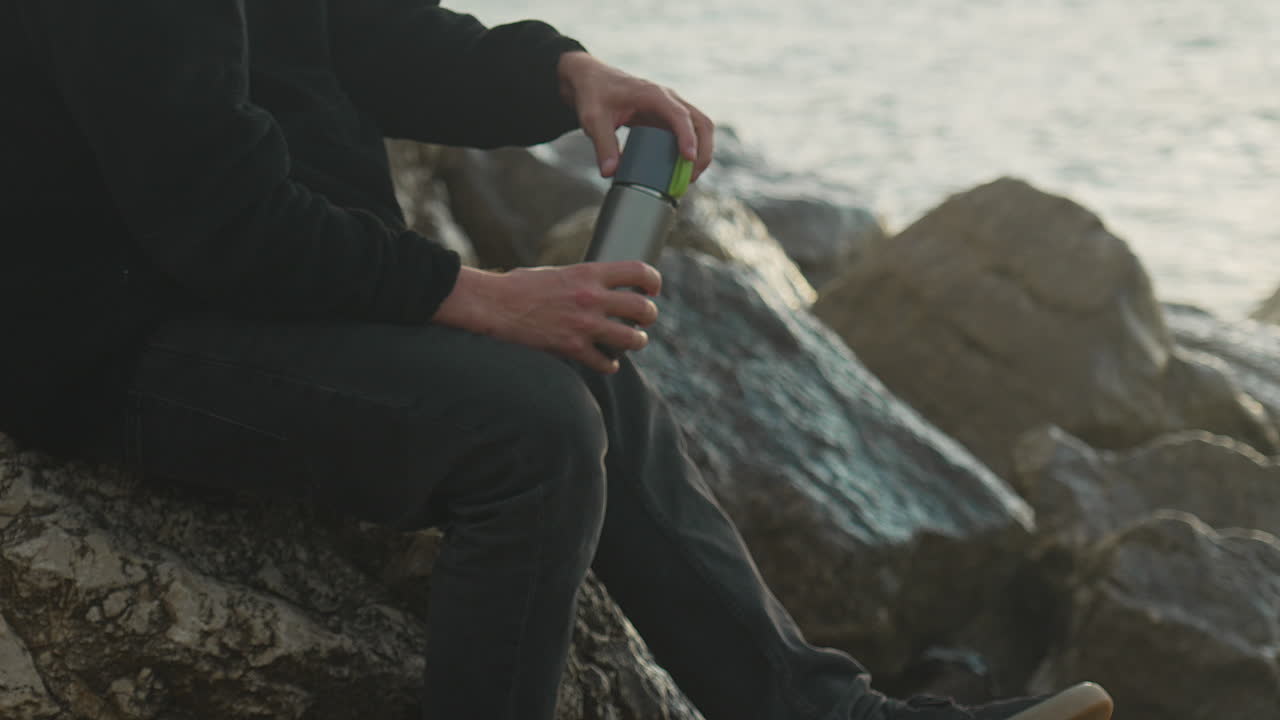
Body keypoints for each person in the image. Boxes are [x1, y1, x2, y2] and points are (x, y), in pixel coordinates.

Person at [1, 1, 1116, 719]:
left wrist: (563, 75)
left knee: (584, 369)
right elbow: (216, 216)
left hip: (226, 285)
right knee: (527, 432)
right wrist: (481, 297)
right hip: (108, 333)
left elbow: (363, 35)